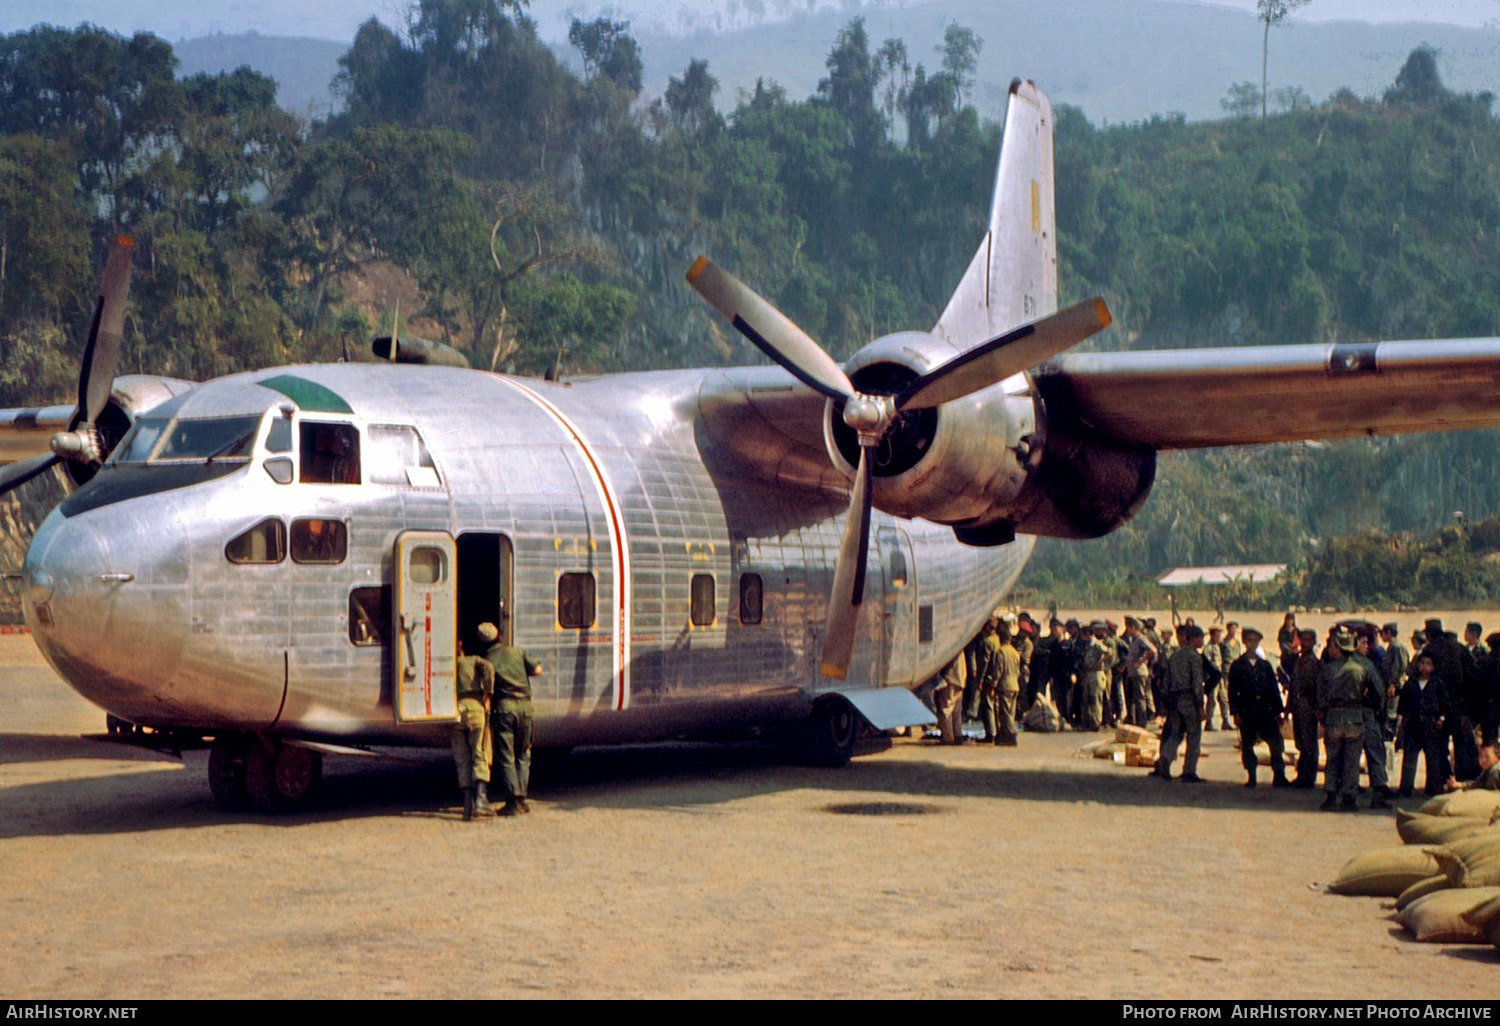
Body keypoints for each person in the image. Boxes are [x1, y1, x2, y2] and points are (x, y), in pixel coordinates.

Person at [482, 617, 544, 816]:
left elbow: (487, 690)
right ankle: (523, 799)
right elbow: (537, 670)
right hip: (525, 708)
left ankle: (513, 800)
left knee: (506, 756)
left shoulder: (487, 661)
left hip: (504, 710)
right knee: (524, 754)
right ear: (499, 635)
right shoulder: (517, 651)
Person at [1318, 629, 1375, 811]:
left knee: (1332, 758)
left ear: (1338, 648)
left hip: (1333, 717)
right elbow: (1375, 694)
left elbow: (1320, 696)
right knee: (1352, 759)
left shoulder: (1328, 669)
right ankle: (1349, 798)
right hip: (1355, 718)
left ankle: (1330, 795)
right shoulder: (1362, 668)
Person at [1420, 618, 1480, 781]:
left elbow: (1418, 677)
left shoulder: (1428, 651)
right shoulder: (1458, 647)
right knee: (1461, 743)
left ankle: (1441, 779)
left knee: (1438, 746)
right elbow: (1474, 674)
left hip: (1437, 708)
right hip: (1458, 706)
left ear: (1428, 635)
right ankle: (1463, 780)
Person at [1228, 627, 1288, 788]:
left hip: (1265, 710)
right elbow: (1232, 691)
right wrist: (1235, 713)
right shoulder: (1237, 665)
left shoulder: (1265, 665)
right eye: (1249, 640)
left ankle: (1279, 776)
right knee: (1247, 744)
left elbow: (1273, 690)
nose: (1252, 643)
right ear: (1244, 642)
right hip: (1247, 709)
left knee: (1276, 743)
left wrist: (1278, 712)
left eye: (1255, 640)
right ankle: (1252, 776)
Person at [1149, 625, 1207, 783]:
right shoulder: (1194, 657)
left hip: (1175, 700)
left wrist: (1168, 703)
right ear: (1193, 639)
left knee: (1176, 734)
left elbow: (1166, 682)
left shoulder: (1174, 656)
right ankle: (1189, 771)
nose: (1203, 641)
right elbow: (1196, 683)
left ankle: (1165, 759)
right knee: (1194, 735)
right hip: (1189, 700)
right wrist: (1201, 706)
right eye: (1201, 638)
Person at [452, 638, 495, 821]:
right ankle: (481, 800)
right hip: (476, 709)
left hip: (457, 709)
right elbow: (489, 667)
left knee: (462, 759)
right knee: (479, 753)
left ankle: (467, 806)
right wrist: (488, 693)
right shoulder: (476, 660)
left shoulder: (453, 664)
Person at [1397, 653, 1451, 798]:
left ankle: (1432, 788)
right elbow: (1403, 705)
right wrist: (1403, 723)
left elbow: (1445, 704)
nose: (1425, 667)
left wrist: (1440, 719)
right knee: (1409, 757)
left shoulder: (1438, 684)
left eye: (1428, 664)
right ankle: (1405, 788)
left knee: (1432, 758)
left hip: (1430, 724)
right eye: (1422, 663)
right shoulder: (1411, 684)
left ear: (1433, 667)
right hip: (1413, 724)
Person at [1353, 631, 1393, 808]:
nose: (1366, 646)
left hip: (1345, 715)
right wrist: (1377, 708)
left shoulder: (1337, 665)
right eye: (1362, 642)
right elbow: (1379, 692)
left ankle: (1348, 793)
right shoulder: (1367, 665)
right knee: (1375, 752)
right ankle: (1378, 791)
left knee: (1350, 755)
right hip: (1367, 714)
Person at [1289, 629, 1322, 788]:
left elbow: (1317, 688)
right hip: (1298, 704)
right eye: (1303, 640)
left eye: (1309, 640)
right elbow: (1293, 684)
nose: (1305, 643)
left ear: (1314, 642)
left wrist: (1317, 708)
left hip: (1308, 704)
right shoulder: (1299, 660)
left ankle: (1309, 777)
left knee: (1309, 742)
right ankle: (1302, 774)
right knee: (1301, 741)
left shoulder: (1314, 662)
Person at [989, 620, 1022, 746]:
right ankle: (1006, 735)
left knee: (1005, 713)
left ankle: (1011, 735)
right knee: (1011, 712)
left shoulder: (1001, 652)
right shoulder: (1014, 652)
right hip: (1014, 685)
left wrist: (993, 686)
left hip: (1005, 686)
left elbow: (998, 671)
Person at [1079, 621, 1113, 732]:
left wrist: (1101, 661)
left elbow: (1109, 652)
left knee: (1095, 699)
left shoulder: (1097, 644)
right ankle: (1087, 721)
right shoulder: (1087, 645)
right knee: (1086, 698)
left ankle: (1096, 723)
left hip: (1096, 673)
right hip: (1088, 673)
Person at [1123, 617, 1156, 727]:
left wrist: (1141, 661)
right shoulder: (1134, 640)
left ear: (1134, 628)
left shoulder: (1141, 639)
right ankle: (1133, 720)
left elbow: (1153, 650)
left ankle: (1142, 721)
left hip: (1139, 672)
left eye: (1128, 628)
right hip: (1132, 672)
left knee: (1140, 698)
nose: (1127, 630)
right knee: (1132, 698)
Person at [1380, 623, 1409, 744]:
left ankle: (1391, 737)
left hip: (1395, 688)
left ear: (1388, 633)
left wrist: (1393, 684)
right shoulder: (1392, 647)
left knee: (1392, 714)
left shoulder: (1397, 647)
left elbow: (1399, 667)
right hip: (1390, 686)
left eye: (1383, 633)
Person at [933, 652, 968, 745]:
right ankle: (957, 735)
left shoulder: (950, 648)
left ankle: (948, 737)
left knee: (946, 709)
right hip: (960, 680)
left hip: (950, 679)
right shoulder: (960, 648)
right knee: (957, 711)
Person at [1204, 626, 1231, 731]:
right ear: (1212, 636)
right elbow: (1207, 664)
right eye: (1217, 636)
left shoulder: (1219, 646)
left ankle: (1225, 721)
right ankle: (1209, 722)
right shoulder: (1208, 648)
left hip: (1220, 677)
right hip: (1212, 678)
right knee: (1212, 700)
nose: (1219, 638)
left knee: (1224, 699)